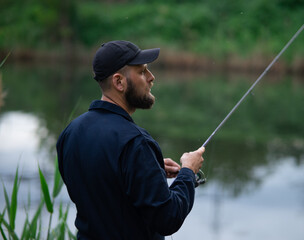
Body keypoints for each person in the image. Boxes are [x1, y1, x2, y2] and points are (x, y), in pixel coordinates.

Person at [56, 40, 205, 240]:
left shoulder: (71, 133)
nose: (152, 77)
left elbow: (103, 183)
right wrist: (188, 172)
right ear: (119, 82)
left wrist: (149, 168)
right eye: (142, 72)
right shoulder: (136, 143)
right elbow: (168, 218)